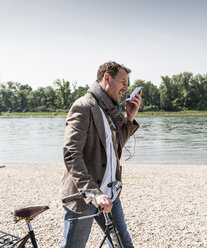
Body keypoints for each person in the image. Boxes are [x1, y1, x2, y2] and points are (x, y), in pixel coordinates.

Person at [60, 61, 141, 248]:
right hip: (85, 196)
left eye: (127, 84)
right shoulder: (83, 106)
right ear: (106, 78)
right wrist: (94, 193)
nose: (126, 89)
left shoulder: (110, 110)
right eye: (122, 82)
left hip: (110, 194)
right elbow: (71, 154)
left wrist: (129, 117)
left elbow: (115, 145)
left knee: (123, 245)